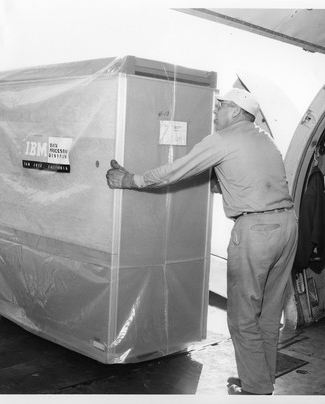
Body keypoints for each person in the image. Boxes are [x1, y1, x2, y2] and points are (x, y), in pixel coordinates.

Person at [106, 88, 298, 395]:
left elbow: (176, 169)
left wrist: (131, 180)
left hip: (256, 230)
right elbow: (252, 178)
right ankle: (262, 379)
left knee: (242, 315)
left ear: (236, 112)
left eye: (221, 106)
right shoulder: (265, 139)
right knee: (268, 311)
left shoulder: (222, 139)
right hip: (287, 224)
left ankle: (255, 389)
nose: (215, 111)